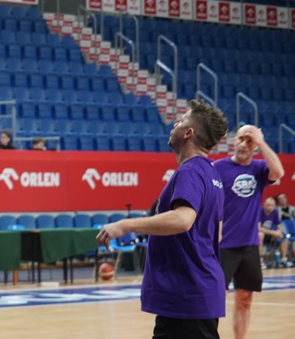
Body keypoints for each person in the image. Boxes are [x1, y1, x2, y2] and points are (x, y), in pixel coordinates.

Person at [97, 100, 228, 339]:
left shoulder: (190, 171)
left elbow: (183, 220)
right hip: (194, 293)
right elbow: (216, 235)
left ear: (189, 133)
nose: (174, 124)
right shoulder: (212, 174)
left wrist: (125, 225)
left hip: (187, 295)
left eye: (181, 121)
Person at [215, 123, 286, 339]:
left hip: (249, 246)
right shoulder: (217, 168)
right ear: (233, 141)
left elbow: (279, 172)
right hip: (222, 246)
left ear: (255, 146)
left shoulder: (259, 169)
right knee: (214, 299)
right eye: (240, 139)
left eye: (249, 141)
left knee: (245, 299)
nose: (243, 144)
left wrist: (262, 142)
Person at [258, 197, 288, 267]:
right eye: (268, 205)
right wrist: (273, 233)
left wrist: (279, 232)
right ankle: (259, 260)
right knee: (260, 235)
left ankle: (283, 259)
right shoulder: (259, 211)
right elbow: (258, 228)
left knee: (283, 236)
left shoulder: (275, 212)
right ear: (264, 204)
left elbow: (279, 226)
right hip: (258, 234)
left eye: (272, 205)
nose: (270, 207)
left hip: (269, 234)